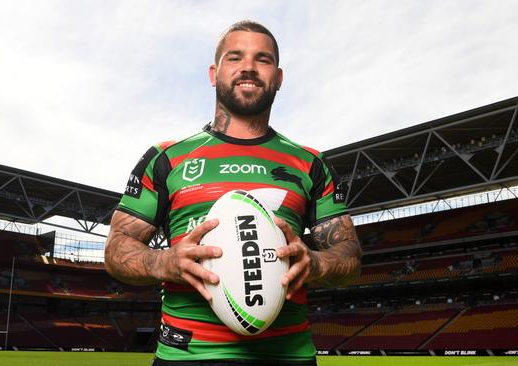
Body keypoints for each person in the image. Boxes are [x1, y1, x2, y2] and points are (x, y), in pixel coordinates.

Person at [105, 20, 362, 366]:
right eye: (235, 57)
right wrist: (162, 261)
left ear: (279, 78)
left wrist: (315, 262)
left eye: (263, 59)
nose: (248, 68)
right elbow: (116, 249)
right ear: (214, 73)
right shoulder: (166, 158)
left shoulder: (310, 163)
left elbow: (350, 255)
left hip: (289, 356)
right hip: (186, 357)